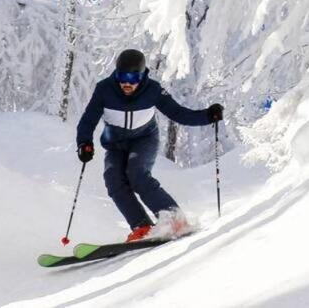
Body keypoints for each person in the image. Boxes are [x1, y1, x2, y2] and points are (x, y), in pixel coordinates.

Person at [76, 48, 224, 242]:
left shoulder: (153, 90)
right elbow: (88, 120)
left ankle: (174, 219)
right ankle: (141, 225)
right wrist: (84, 143)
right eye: (122, 76)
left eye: (132, 78)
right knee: (113, 179)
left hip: (143, 139)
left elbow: (179, 113)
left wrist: (207, 116)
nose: (126, 83)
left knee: (137, 174)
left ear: (142, 76)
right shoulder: (105, 89)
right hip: (115, 144)